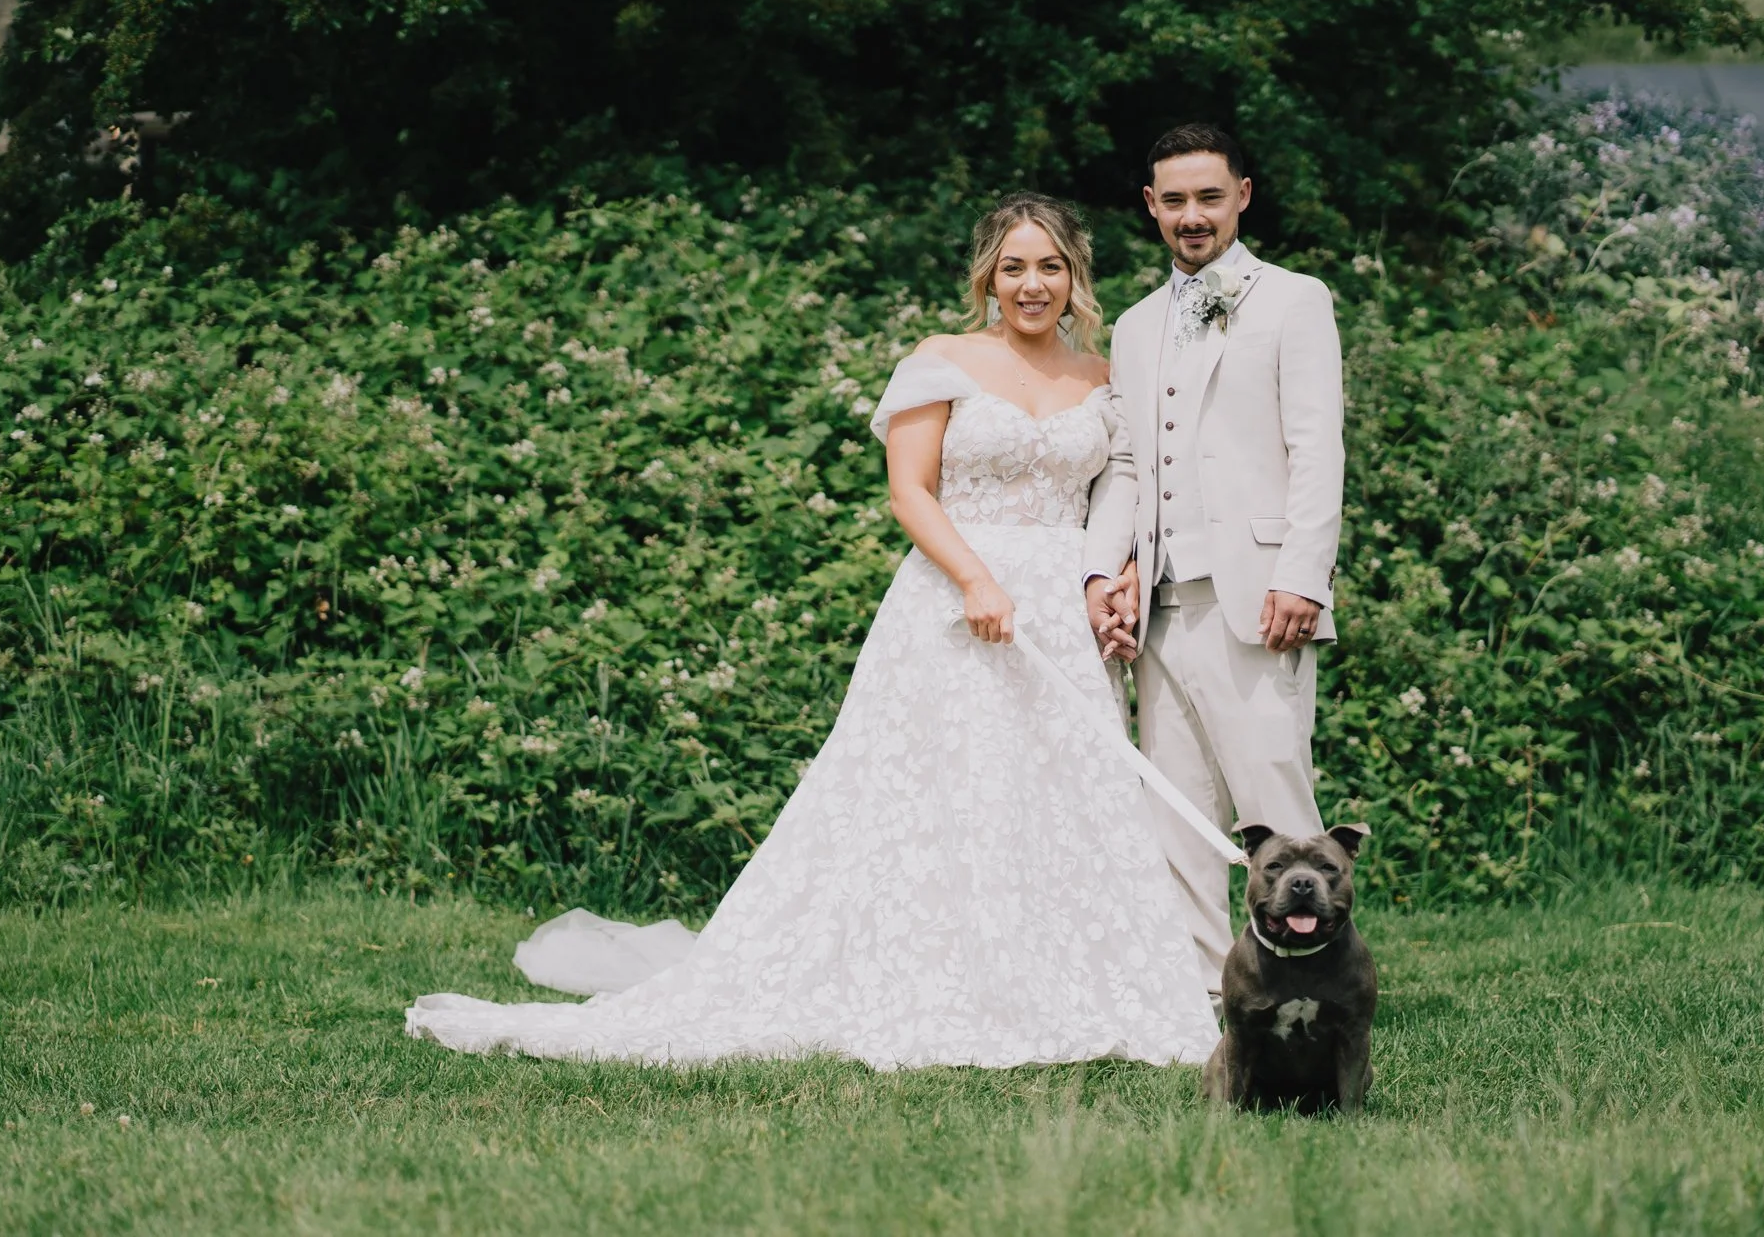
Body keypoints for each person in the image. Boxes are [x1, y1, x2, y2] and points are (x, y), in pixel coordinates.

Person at [406, 192, 1218, 1069]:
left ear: (1074, 276)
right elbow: (909, 490)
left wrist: (1114, 576)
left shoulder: (1099, 379)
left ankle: (1057, 978)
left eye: (1049, 266)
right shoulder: (940, 360)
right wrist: (976, 580)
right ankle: (933, 975)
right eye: (1014, 266)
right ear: (987, 273)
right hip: (954, 601)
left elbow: (1119, 495)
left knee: (1058, 801)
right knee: (942, 792)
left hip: (1060, 612)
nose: (1032, 284)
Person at [1083, 124, 1346, 1005]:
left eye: (1208, 196)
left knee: (1280, 805)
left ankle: (1317, 991)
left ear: (1242, 193)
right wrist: (1101, 571)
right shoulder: (1132, 324)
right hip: (1160, 604)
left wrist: (1303, 574)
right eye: (1173, 201)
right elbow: (1125, 464)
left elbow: (1316, 446)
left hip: (1259, 595)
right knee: (1180, 816)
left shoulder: (1294, 300)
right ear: (1150, 207)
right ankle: (1211, 1001)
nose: (1191, 217)